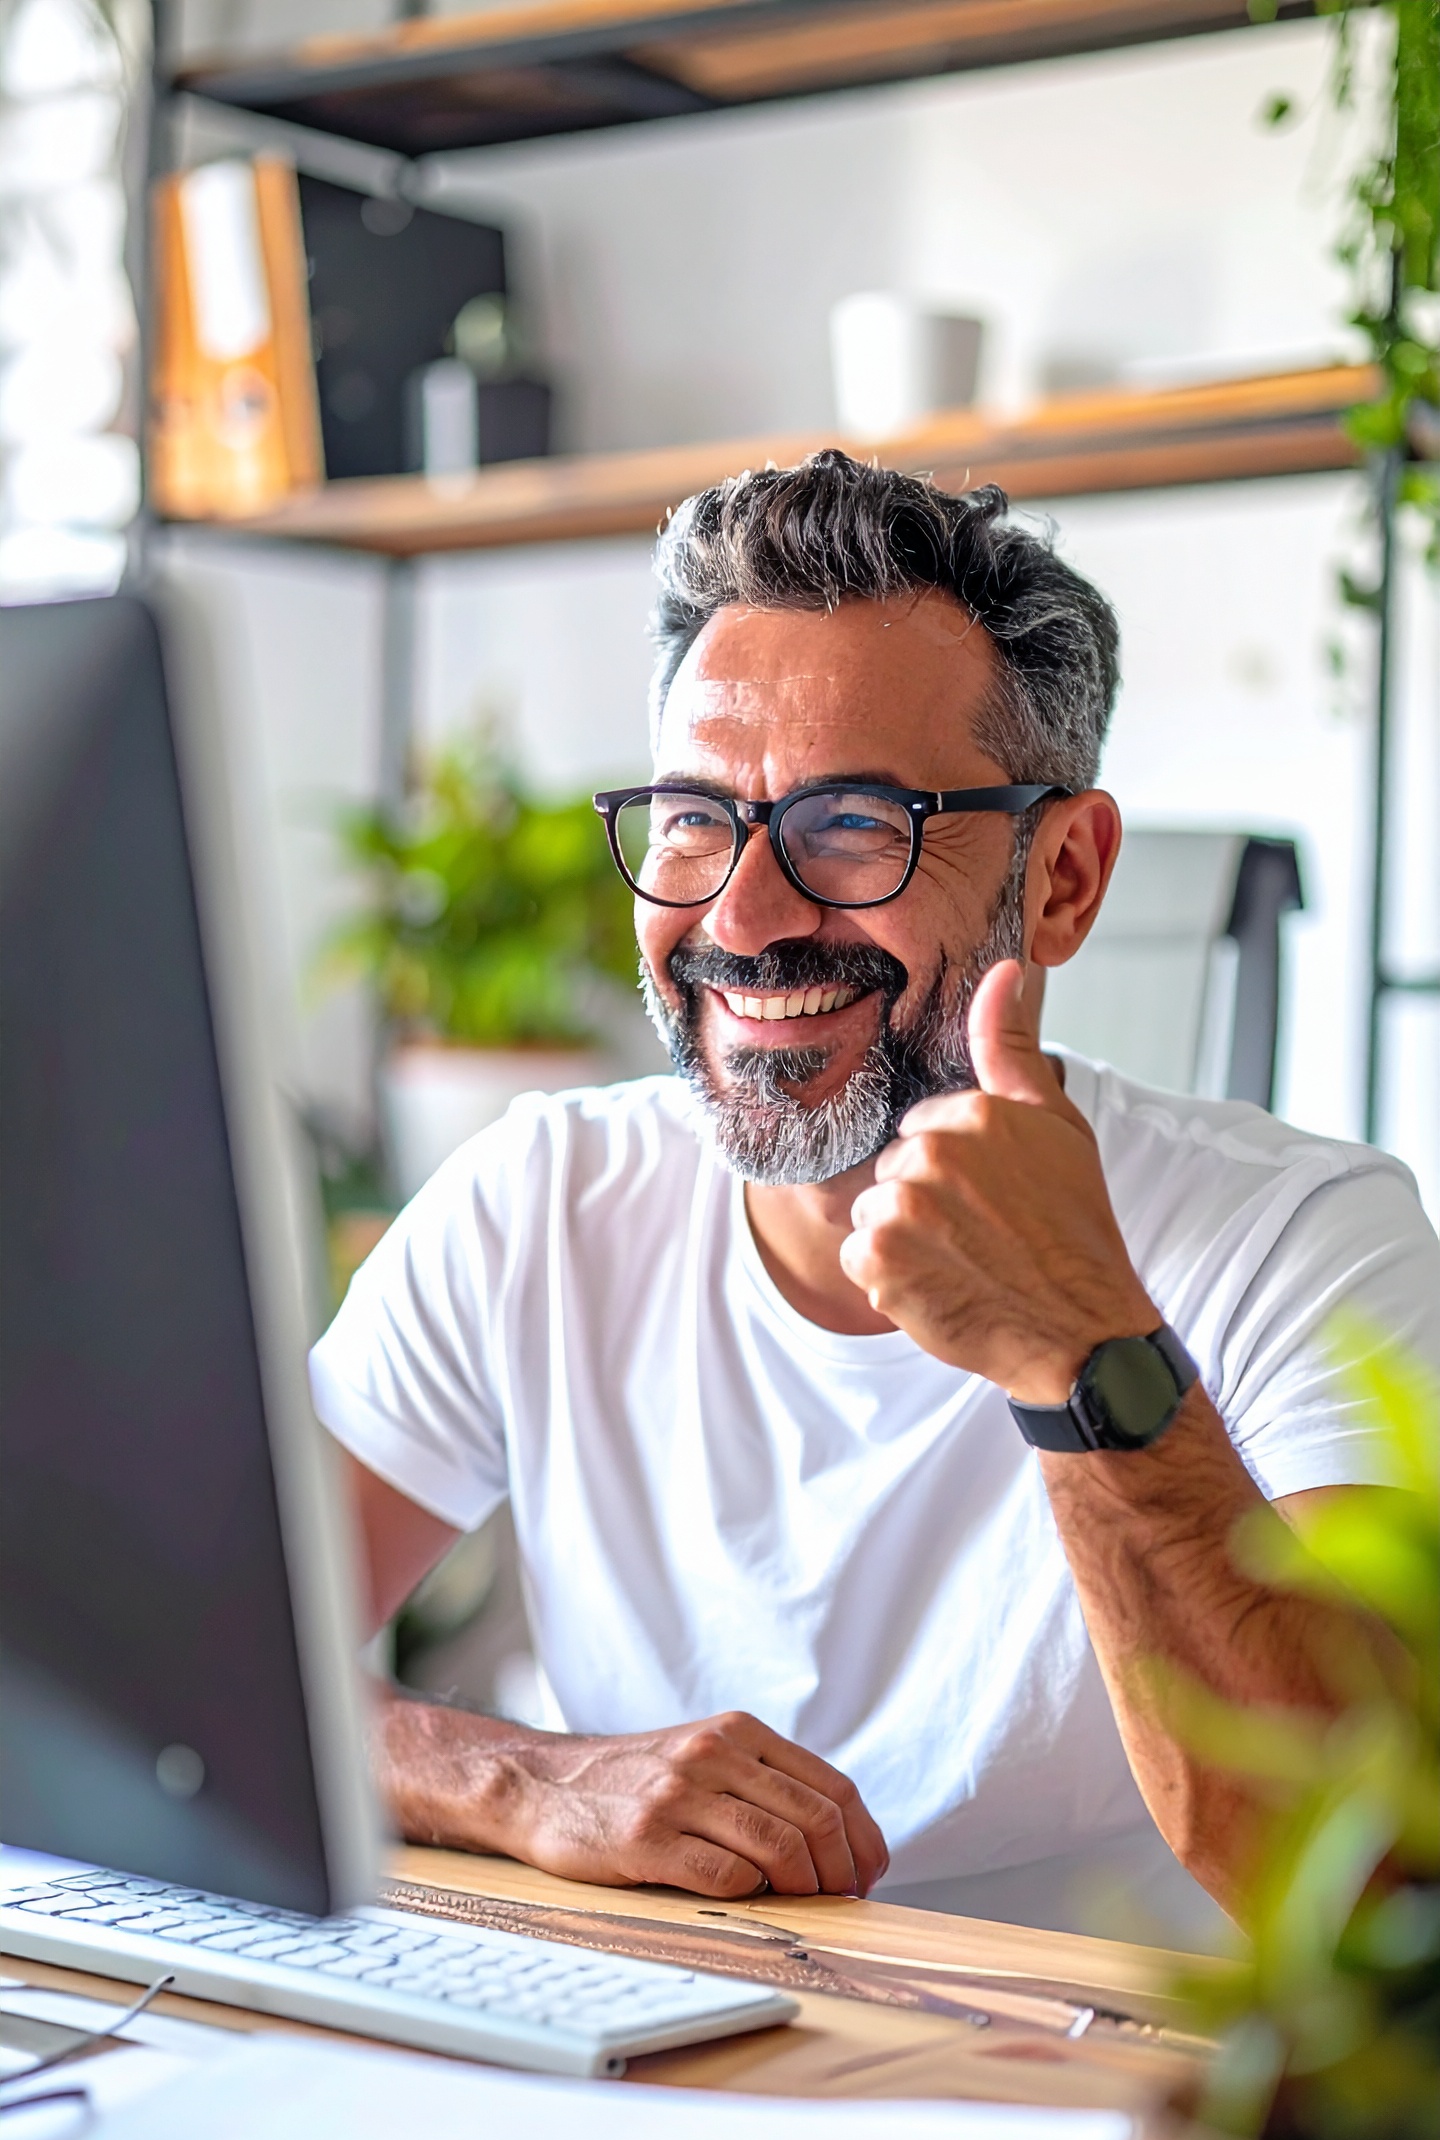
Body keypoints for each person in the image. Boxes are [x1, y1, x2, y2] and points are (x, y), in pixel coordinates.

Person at [310, 453, 1440, 1946]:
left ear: (1063, 881)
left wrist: (1078, 1347)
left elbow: (1372, 1883)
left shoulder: (1304, 1240)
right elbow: (193, 1669)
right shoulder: (537, 1202)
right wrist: (516, 1777)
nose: (743, 920)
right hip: (635, 2051)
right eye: (696, 821)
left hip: (1083, 2094)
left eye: (852, 825)